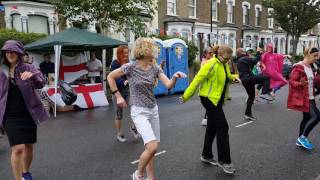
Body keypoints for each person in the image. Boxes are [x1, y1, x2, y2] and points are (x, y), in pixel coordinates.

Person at [107, 38, 186, 180]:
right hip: (139, 111)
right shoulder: (130, 67)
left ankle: (151, 177)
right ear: (145, 50)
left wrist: (174, 77)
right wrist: (118, 96)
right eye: (153, 48)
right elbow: (110, 77)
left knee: (150, 149)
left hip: (153, 110)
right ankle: (138, 174)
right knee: (152, 147)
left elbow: (168, 85)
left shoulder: (155, 67)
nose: (155, 51)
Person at [181, 46, 240, 175]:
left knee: (212, 127)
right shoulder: (210, 64)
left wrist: (233, 77)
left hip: (217, 99)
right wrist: (186, 95)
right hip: (208, 99)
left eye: (229, 59)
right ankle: (225, 161)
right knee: (223, 128)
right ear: (219, 55)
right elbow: (197, 80)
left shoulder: (223, 64)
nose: (228, 61)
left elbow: (227, 75)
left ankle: (206, 155)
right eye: (226, 58)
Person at [0, 40, 49, 180]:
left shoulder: (28, 67)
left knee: (29, 147)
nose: (10, 54)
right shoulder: (1, 70)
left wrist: (32, 76)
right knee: (18, 148)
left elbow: (41, 83)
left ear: (19, 53)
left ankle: (25, 172)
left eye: (13, 51)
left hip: (28, 113)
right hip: (9, 115)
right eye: (7, 51)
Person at [287, 47, 320, 150]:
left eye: (317, 56)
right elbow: (291, 81)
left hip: (311, 97)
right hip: (304, 97)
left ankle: (300, 139)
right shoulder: (299, 67)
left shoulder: (311, 67)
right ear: (308, 55)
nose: (316, 58)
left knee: (306, 118)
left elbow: (312, 82)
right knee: (317, 117)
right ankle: (302, 138)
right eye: (314, 56)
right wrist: (300, 84)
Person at [110, 45, 139, 142]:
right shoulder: (115, 63)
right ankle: (119, 134)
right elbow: (113, 78)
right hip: (118, 91)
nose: (126, 55)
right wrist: (123, 82)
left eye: (127, 53)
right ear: (119, 53)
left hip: (128, 90)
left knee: (135, 108)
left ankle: (133, 127)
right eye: (124, 53)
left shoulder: (128, 63)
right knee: (119, 114)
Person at [237, 47, 272, 121]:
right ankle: (264, 93)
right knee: (267, 77)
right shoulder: (244, 58)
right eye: (244, 51)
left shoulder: (240, 60)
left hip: (245, 80)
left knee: (251, 97)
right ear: (241, 53)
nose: (246, 53)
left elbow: (252, 64)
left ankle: (247, 114)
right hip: (249, 79)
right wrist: (259, 53)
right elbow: (255, 60)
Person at [200, 47, 214, 126]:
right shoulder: (204, 63)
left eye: (212, 52)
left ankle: (207, 118)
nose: (211, 54)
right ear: (205, 54)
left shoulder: (209, 61)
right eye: (209, 53)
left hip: (210, 86)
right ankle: (206, 119)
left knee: (211, 104)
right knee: (210, 104)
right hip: (206, 87)